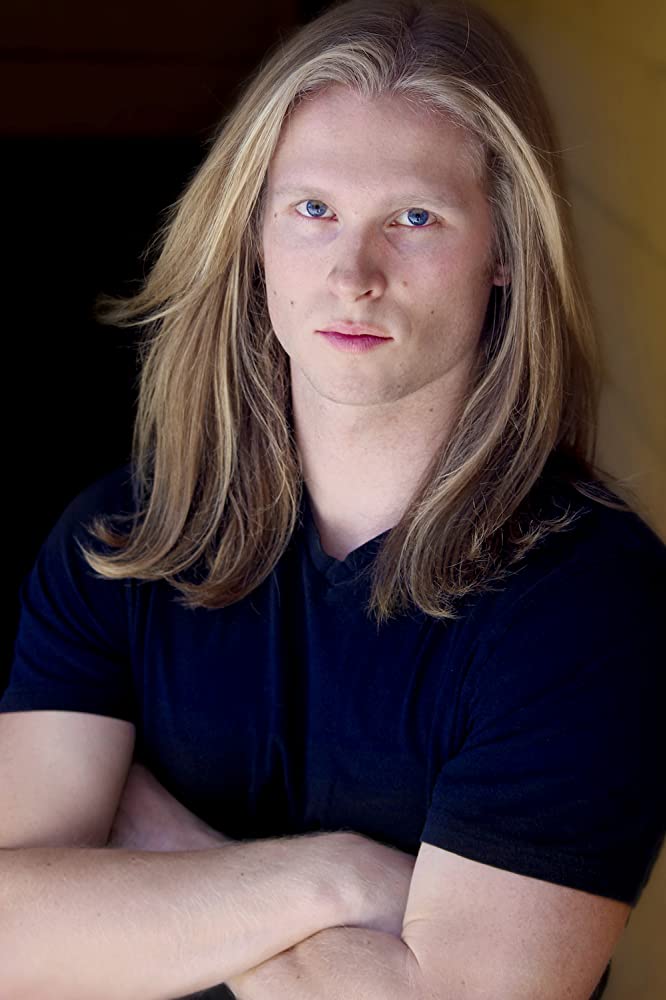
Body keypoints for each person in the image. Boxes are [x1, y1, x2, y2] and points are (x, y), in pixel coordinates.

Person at [1, 0, 664, 997]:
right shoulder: (120, 543)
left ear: (506, 251)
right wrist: (338, 879)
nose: (354, 274)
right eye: (312, 209)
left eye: (414, 218)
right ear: (254, 234)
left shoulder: (591, 601)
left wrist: (152, 839)